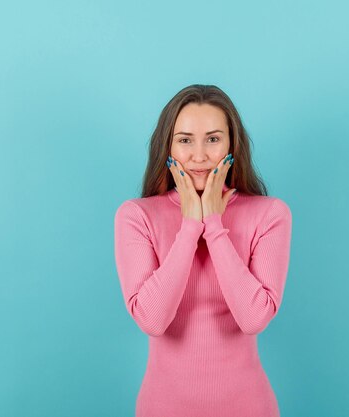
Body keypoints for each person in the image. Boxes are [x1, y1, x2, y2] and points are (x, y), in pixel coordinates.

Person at [113, 84, 292, 417]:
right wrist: (189, 227)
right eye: (184, 140)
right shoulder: (136, 216)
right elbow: (152, 320)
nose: (199, 156)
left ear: (231, 144)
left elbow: (254, 319)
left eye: (212, 139)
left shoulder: (270, 214)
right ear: (167, 146)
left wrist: (213, 223)